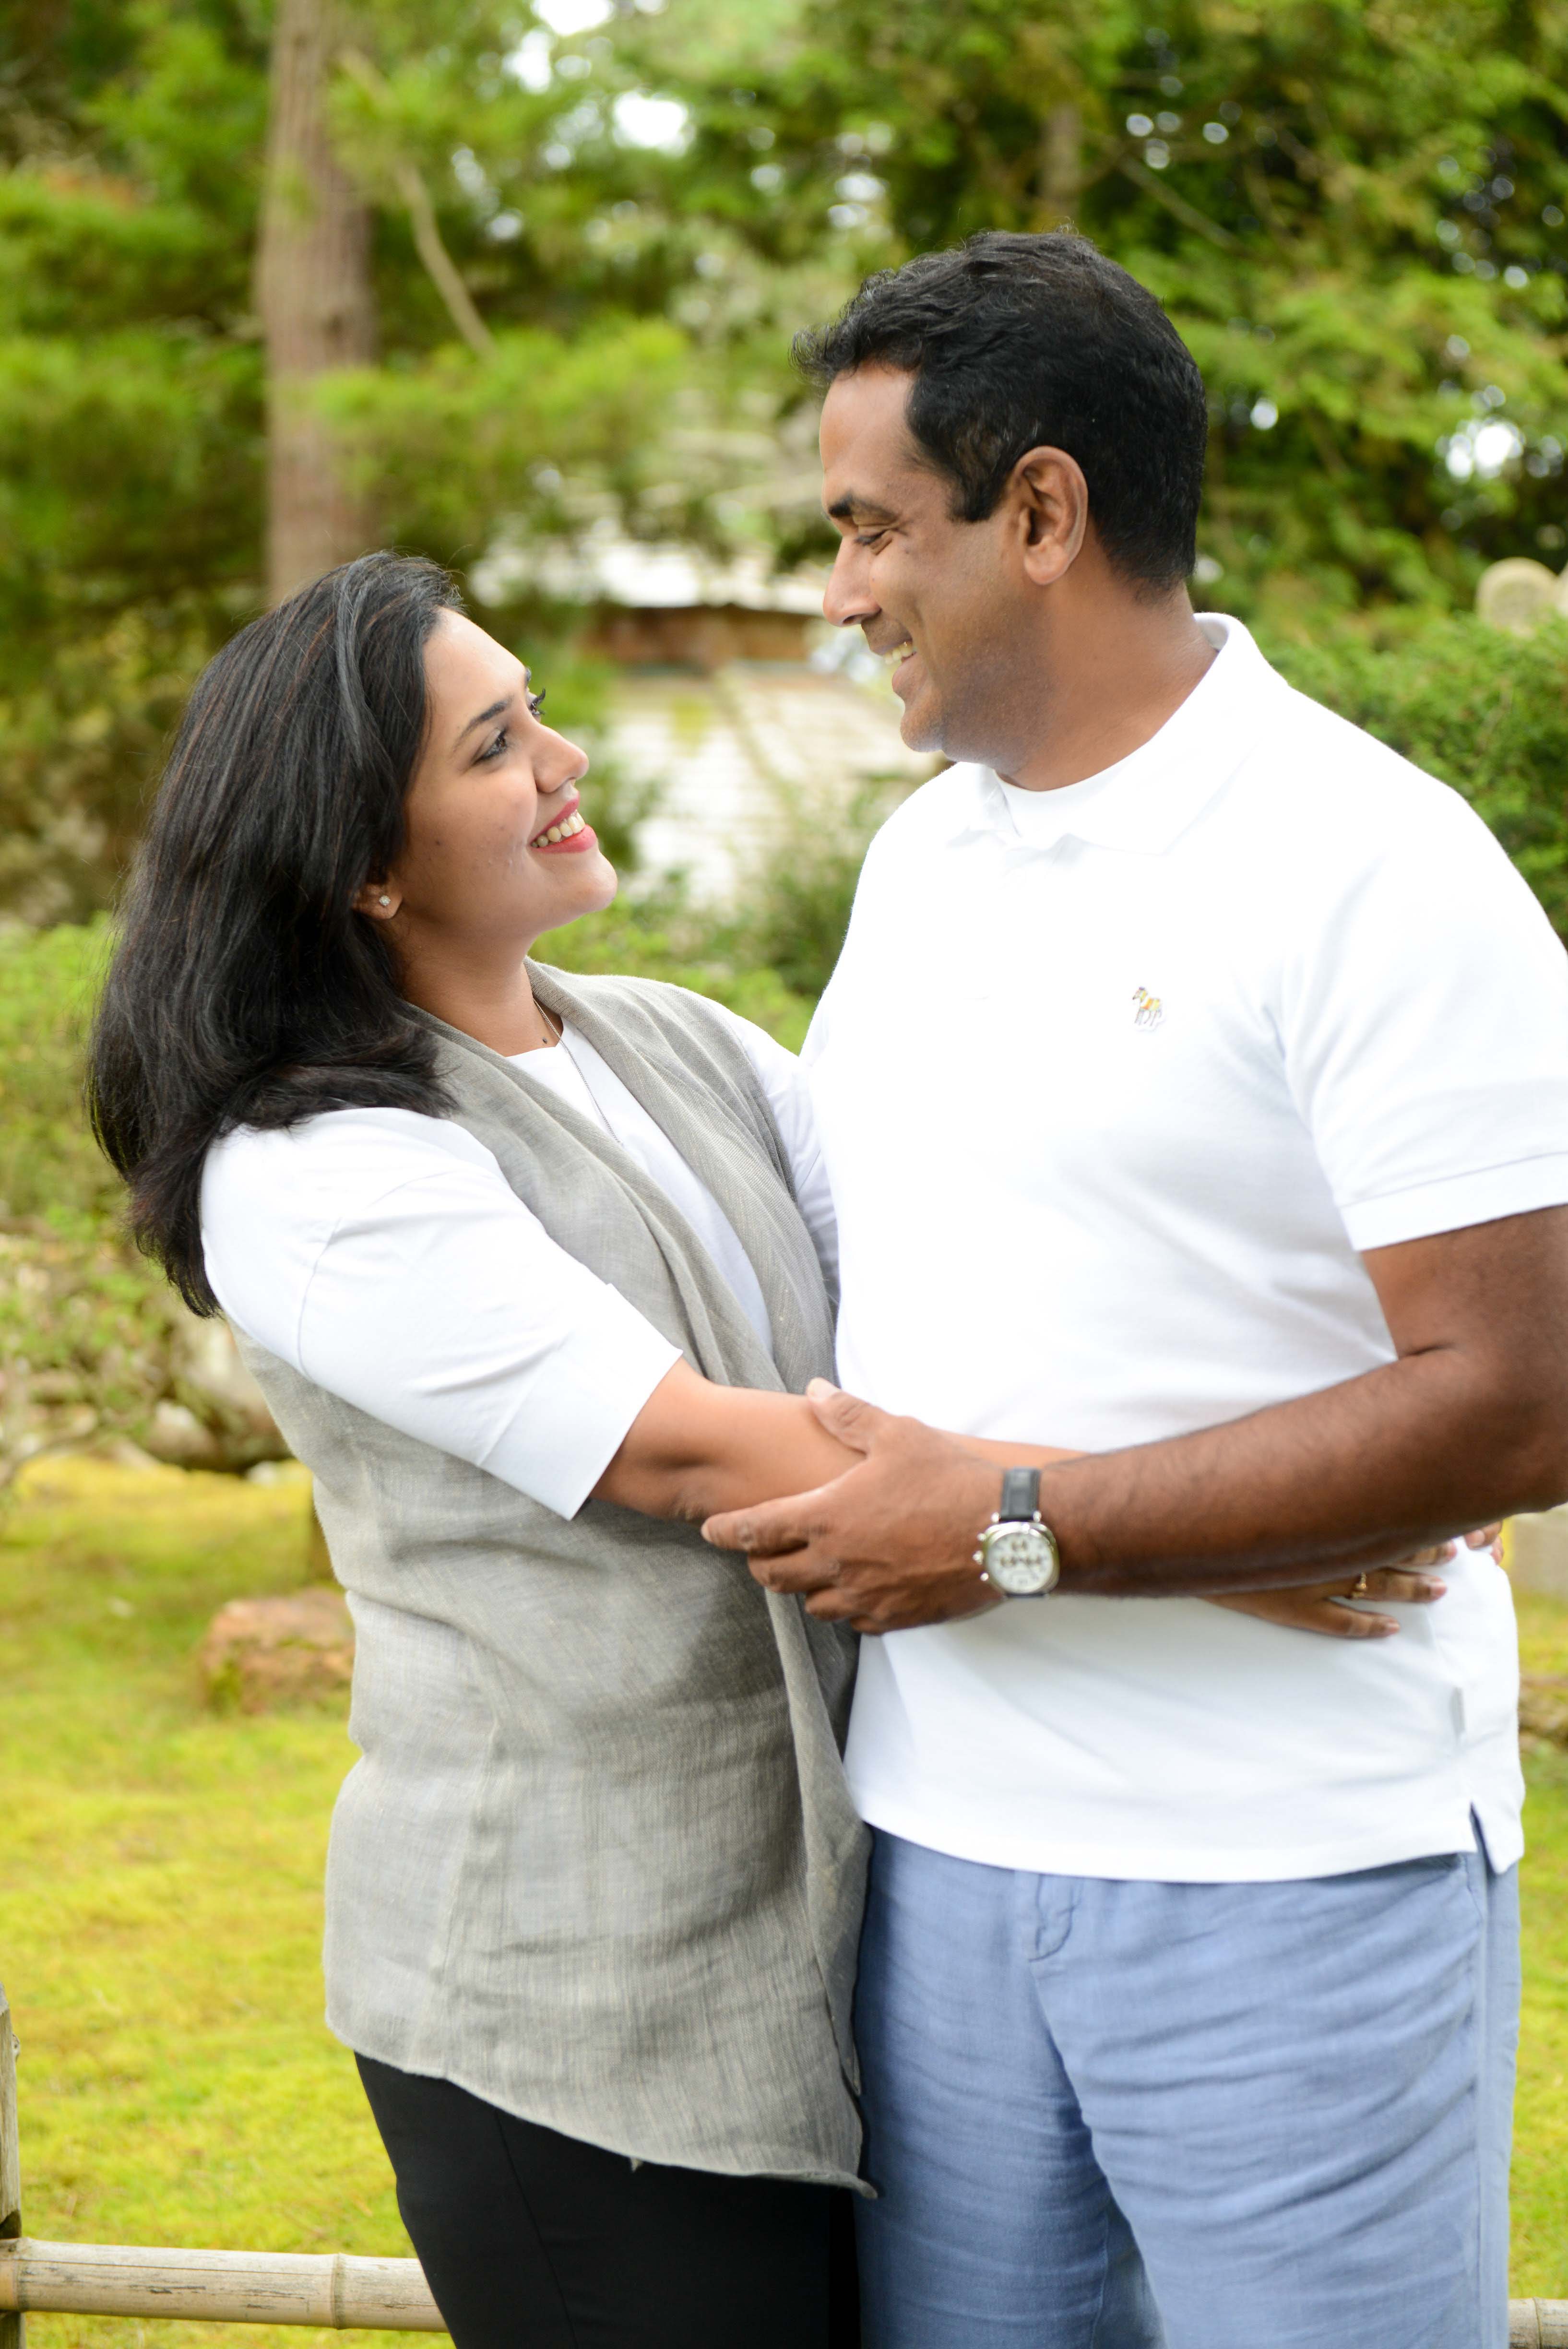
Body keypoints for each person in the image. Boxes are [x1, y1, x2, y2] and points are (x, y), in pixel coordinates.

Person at [88, 550, 1449, 2348]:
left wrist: (1276, 1434)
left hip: (814, 1955)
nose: (565, 758)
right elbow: (715, 1466)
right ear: (364, 859)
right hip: (565, 2009)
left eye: (539, 713)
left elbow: (949, 1287)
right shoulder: (320, 1173)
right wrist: (1222, 1532)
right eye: (496, 746)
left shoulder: (671, 1044)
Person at [703, 232, 1568, 2349]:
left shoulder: (1374, 864)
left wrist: (1036, 1528)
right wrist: (1144, 1533)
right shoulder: (926, 860)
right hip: (934, 1875)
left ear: (1044, 512)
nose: (837, 589)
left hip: (1294, 1885)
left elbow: (1525, 1398)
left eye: (868, 527)